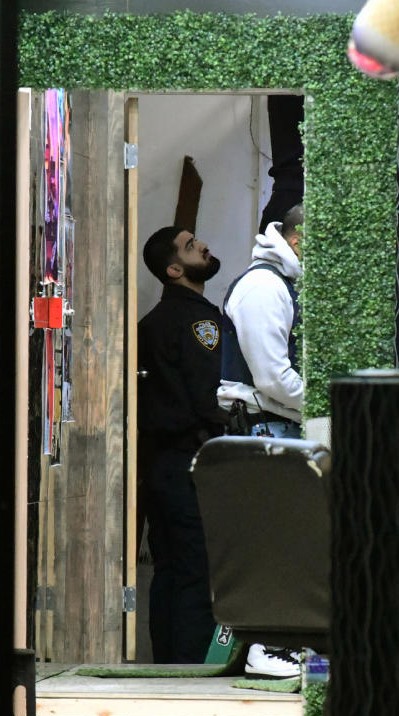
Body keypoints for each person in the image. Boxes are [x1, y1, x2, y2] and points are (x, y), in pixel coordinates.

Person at [139, 226, 227, 663]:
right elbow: (205, 393)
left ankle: (165, 664)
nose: (204, 246)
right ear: (174, 269)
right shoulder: (199, 320)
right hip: (190, 459)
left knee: (168, 567)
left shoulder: (151, 323)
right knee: (196, 569)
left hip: (157, 464)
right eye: (191, 246)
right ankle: (190, 668)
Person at [216, 204, 305, 437]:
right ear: (298, 244)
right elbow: (273, 379)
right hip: (267, 429)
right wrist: (332, 403)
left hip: (281, 425)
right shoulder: (263, 285)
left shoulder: (285, 282)